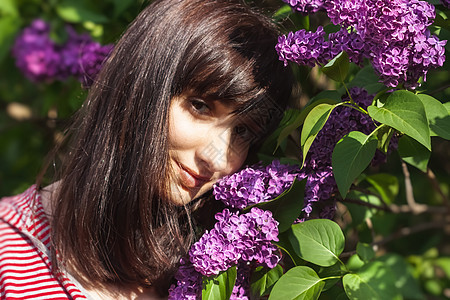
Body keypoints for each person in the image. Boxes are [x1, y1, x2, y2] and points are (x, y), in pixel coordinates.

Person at [0, 0, 293, 298]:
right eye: (200, 106)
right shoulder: (9, 253)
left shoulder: (224, 275)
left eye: (242, 131)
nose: (216, 157)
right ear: (140, 88)